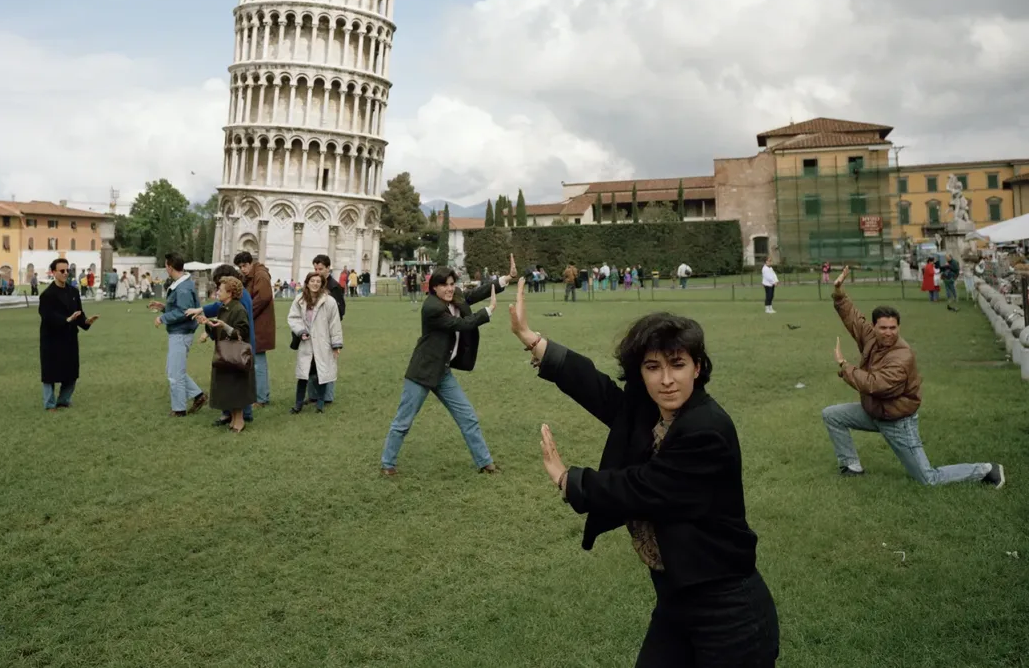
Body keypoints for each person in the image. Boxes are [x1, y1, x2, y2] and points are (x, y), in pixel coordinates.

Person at [508, 279, 779, 666]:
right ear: (641, 373)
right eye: (653, 367)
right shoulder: (656, 413)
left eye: (678, 365)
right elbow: (600, 391)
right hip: (676, 602)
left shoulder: (706, 429)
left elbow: (644, 487)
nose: (666, 379)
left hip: (729, 614)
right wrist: (531, 338)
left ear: (697, 368)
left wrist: (570, 480)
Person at [821, 266, 1005, 488]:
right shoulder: (871, 338)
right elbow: (854, 319)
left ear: (898, 327)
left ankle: (987, 470)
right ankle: (851, 467)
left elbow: (875, 385)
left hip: (898, 422)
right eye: (883, 328)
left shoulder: (903, 356)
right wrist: (839, 292)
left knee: (928, 478)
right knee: (832, 416)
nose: (888, 332)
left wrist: (843, 364)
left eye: (893, 328)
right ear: (875, 327)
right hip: (875, 412)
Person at [380, 254, 516, 476]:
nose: (450, 289)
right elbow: (460, 324)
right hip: (422, 372)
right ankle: (387, 464)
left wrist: (504, 279)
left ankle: (485, 463)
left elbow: (473, 294)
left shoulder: (455, 296)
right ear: (434, 288)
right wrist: (489, 311)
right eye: (444, 285)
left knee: (468, 417)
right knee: (403, 421)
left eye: (452, 284)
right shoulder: (432, 308)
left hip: (442, 372)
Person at [189, 263, 258, 426]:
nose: (216, 292)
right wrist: (207, 323)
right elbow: (218, 329)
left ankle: (241, 418)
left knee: (238, 384)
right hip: (226, 351)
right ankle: (232, 417)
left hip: (237, 351)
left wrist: (223, 326)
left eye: (220, 288)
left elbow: (241, 331)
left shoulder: (239, 306)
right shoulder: (224, 307)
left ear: (230, 291)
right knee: (229, 384)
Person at [148, 252, 206, 417]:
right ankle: (198, 395)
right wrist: (164, 307)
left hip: (181, 333)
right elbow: (182, 308)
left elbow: (183, 311)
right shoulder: (184, 285)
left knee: (174, 374)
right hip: (180, 333)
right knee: (173, 370)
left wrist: (163, 317)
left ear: (170, 267)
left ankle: (179, 409)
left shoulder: (183, 288)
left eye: (166, 265)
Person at [38, 258, 98, 411]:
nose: (66, 273)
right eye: (62, 271)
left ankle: (64, 399)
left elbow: (79, 313)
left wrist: (86, 322)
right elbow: (47, 315)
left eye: (67, 270)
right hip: (52, 338)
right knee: (50, 373)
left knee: (71, 371)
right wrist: (65, 319)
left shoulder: (73, 292)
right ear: (53, 273)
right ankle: (50, 404)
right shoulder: (47, 295)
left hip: (70, 337)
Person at [288, 272, 344, 414]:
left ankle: (320, 404)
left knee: (322, 372)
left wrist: (336, 344)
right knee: (303, 374)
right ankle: (298, 404)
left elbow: (334, 323)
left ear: (322, 284)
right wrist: (301, 331)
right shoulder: (299, 300)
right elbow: (293, 318)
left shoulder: (329, 301)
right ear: (307, 283)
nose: (315, 284)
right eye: (312, 281)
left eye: (318, 281)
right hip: (306, 342)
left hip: (322, 341)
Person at [234, 250, 274, 407]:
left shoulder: (261, 275)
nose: (243, 269)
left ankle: (261, 398)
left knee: (258, 362)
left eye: (244, 266)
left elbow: (263, 297)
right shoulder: (252, 275)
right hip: (256, 323)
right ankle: (260, 395)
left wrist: (246, 313)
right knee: (256, 361)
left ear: (251, 263)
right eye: (240, 267)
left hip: (260, 325)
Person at [305, 254, 345, 406]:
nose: (317, 271)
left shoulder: (334, 287)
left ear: (328, 268)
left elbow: (340, 311)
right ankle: (313, 395)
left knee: (327, 363)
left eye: (320, 269)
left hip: (327, 331)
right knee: (311, 362)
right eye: (315, 268)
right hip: (312, 330)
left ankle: (327, 396)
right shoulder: (312, 284)